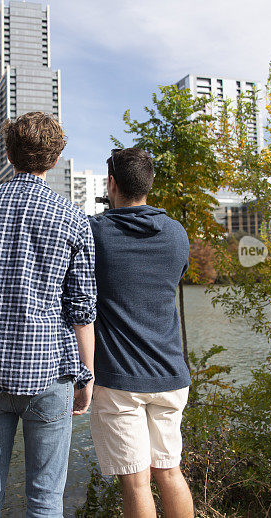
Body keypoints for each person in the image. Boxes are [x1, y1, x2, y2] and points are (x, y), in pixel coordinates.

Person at [0, 112, 96, 518]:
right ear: (54, 158)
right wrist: (87, 375)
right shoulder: (73, 218)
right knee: (45, 499)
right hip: (50, 373)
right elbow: (82, 311)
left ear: (10, 155)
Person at [88, 147, 194, 518]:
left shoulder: (95, 232)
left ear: (112, 183)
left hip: (120, 381)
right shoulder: (176, 234)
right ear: (149, 185)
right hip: (170, 375)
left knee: (135, 481)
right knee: (169, 471)